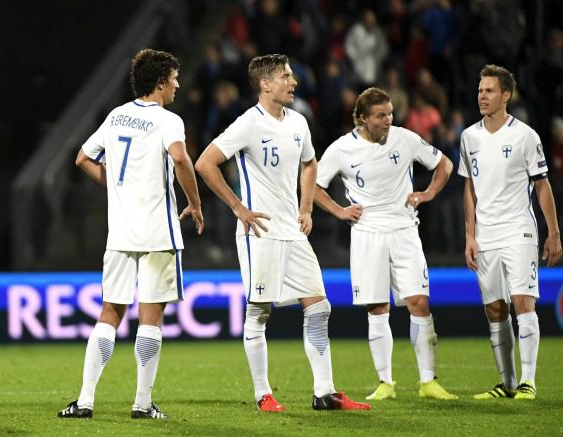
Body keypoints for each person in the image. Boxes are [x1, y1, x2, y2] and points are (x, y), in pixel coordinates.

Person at [195, 53, 371, 412]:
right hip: (259, 231)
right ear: (265, 84)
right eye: (286, 76)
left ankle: (325, 392)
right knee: (259, 311)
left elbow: (310, 163)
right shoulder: (248, 123)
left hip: (292, 230)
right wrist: (237, 207)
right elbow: (204, 163)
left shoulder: (299, 123)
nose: (293, 82)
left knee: (319, 307)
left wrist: (306, 207)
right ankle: (263, 393)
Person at [57, 48, 203, 420]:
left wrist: (117, 190)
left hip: (120, 232)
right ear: (160, 83)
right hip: (158, 232)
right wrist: (195, 202)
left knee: (110, 312)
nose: (177, 85)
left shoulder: (117, 115)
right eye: (173, 78)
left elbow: (82, 158)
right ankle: (141, 403)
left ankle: (85, 401)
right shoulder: (168, 120)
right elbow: (181, 157)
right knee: (151, 317)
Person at [314, 87, 458, 401]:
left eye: (390, 113)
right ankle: (385, 383)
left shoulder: (405, 138)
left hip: (405, 230)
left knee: (419, 302)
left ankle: (428, 381)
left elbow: (444, 164)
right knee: (378, 307)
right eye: (381, 115)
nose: (388, 120)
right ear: (363, 118)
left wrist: (428, 193)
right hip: (367, 233)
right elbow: (312, 185)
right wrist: (339, 211)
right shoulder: (342, 149)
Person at [460, 65, 562, 400]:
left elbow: (542, 186)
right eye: (480, 90)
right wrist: (470, 235)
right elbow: (469, 189)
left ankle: (529, 382)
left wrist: (554, 233)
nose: (482, 96)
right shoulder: (469, 137)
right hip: (485, 234)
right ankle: (507, 383)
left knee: (522, 301)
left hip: (519, 229)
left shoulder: (525, 136)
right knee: (494, 308)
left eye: (489, 91)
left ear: (506, 95)